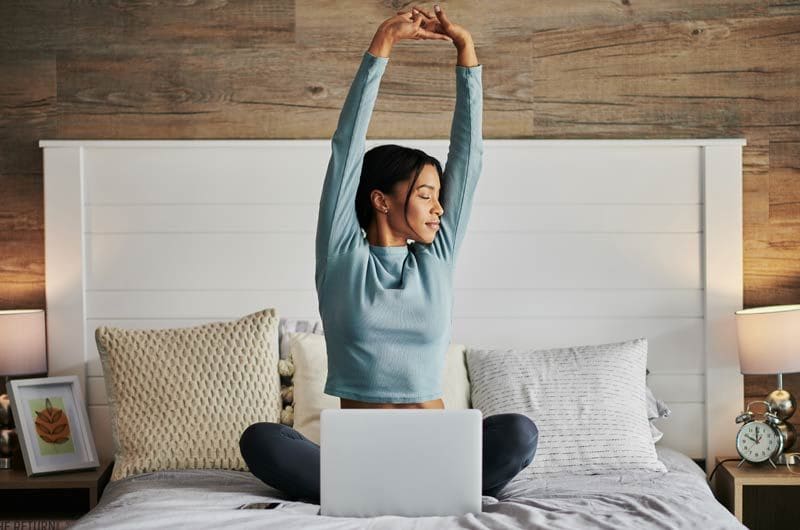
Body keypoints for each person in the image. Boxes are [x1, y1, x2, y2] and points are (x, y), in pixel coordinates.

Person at [240, 4, 538, 505]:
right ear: (381, 200)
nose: (439, 208)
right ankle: (412, 492)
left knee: (519, 432)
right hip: (354, 460)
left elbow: (470, 156)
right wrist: (382, 45)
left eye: (439, 196)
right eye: (425, 194)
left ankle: (416, 488)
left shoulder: (436, 257)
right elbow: (346, 149)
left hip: (438, 452)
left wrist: (466, 55)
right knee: (261, 440)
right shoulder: (341, 258)